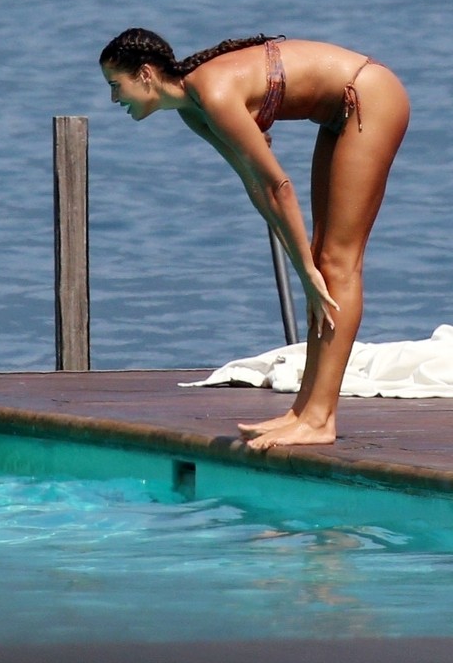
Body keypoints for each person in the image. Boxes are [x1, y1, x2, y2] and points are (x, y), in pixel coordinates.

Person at [99, 29, 409, 449]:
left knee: (336, 263)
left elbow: (279, 184)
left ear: (147, 75)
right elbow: (257, 188)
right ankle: (304, 412)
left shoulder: (212, 93)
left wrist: (305, 271)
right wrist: (303, 265)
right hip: (340, 113)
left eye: (117, 86)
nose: (115, 99)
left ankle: (320, 418)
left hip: (370, 96)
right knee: (320, 262)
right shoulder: (193, 111)